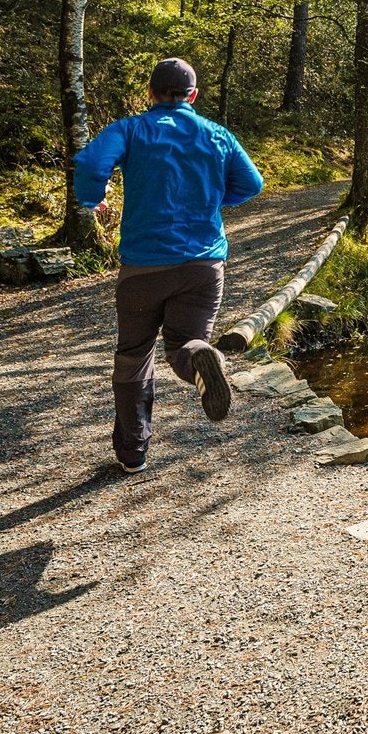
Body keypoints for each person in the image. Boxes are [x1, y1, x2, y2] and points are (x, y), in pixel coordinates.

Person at [73, 57, 264, 473]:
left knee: (134, 355)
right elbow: (252, 184)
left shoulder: (131, 129)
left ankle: (133, 452)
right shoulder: (217, 134)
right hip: (203, 265)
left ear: (150, 93)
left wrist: (92, 199)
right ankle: (200, 358)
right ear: (193, 96)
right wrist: (211, 202)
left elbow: (89, 164)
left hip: (143, 268)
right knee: (185, 344)